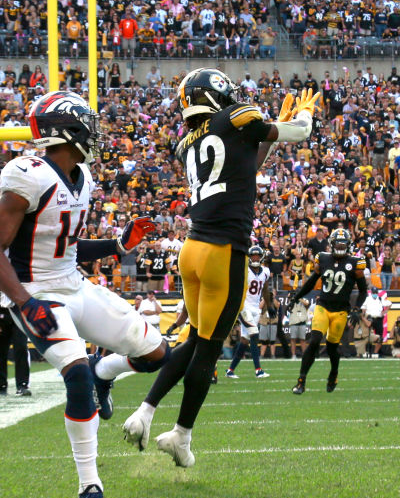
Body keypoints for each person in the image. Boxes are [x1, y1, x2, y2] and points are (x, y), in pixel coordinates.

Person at [0, 90, 169, 498]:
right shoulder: (28, 174)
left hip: (74, 285)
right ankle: (90, 485)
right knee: (76, 378)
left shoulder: (82, 178)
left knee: (158, 353)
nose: (95, 133)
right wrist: (24, 302)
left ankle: (108, 372)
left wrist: (116, 244)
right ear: (68, 129)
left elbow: (64, 246)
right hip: (38, 292)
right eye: (88, 124)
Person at [123, 68, 320, 467]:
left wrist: (272, 134)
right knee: (209, 348)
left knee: (195, 339)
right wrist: (303, 118)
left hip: (192, 251)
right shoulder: (235, 116)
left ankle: (144, 412)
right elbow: (300, 133)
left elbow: (244, 167)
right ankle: (181, 435)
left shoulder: (186, 143)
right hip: (223, 252)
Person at [287, 228, 368, 394]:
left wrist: (356, 309)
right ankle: (301, 381)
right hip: (323, 306)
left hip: (340, 311)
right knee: (315, 340)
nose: (340, 246)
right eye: (337, 243)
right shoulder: (322, 258)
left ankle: (334, 373)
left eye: (343, 243)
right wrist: (297, 297)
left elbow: (363, 291)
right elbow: (311, 282)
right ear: (331, 243)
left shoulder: (355, 263)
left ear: (348, 245)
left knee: (332, 348)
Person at [225, 245, 272, 379]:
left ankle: (230, 370)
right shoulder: (244, 271)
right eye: (253, 256)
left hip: (256, 308)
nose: (255, 258)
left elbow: (265, 289)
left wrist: (270, 306)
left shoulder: (265, 272)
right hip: (244, 306)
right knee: (254, 333)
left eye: (257, 256)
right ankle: (258, 370)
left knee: (245, 340)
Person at [0, 275, 31, 396]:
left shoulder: (23, 270)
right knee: (0, 352)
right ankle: (1, 386)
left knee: (21, 348)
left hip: (19, 313)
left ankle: (22, 385)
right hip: (1, 314)